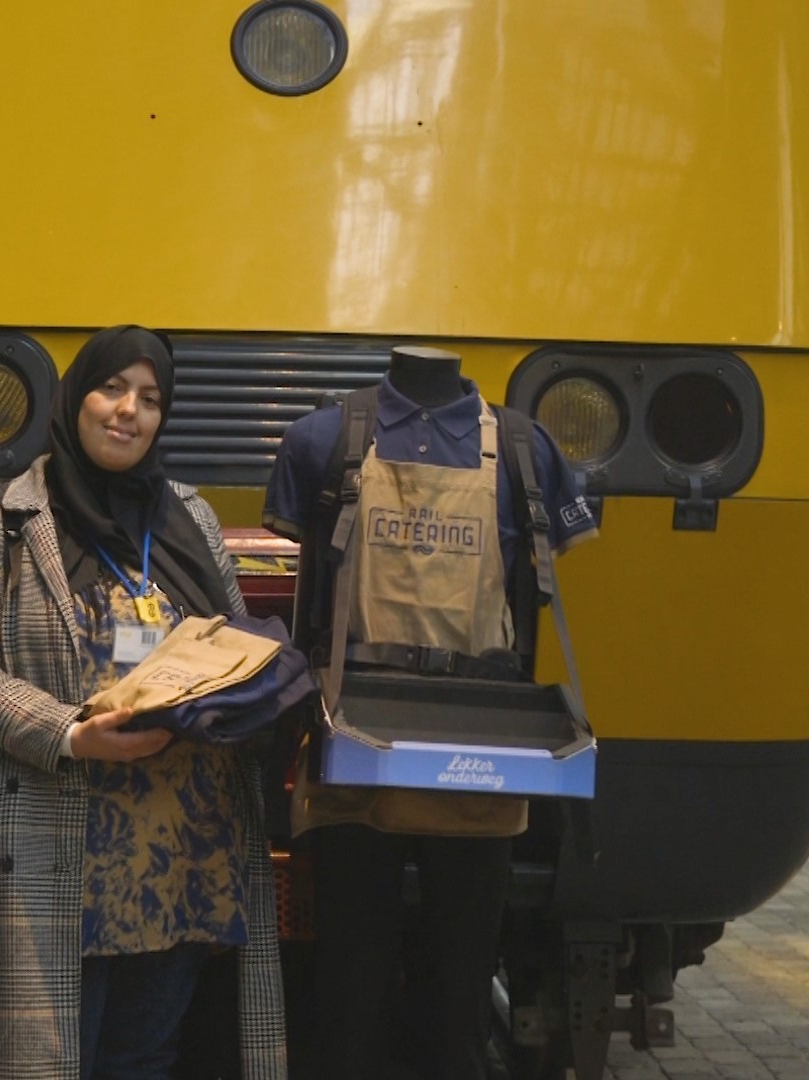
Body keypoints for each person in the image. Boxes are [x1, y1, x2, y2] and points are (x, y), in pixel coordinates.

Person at [0, 325, 287, 1080]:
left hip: (183, 855)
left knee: (145, 1058)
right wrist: (72, 733)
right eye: (112, 388)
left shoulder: (189, 518)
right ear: (74, 398)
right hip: (56, 846)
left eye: (150, 399)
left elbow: (231, 645)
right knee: (56, 1062)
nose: (129, 411)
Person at [263, 346, 598, 1080]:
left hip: (481, 750)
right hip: (355, 744)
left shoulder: (526, 450)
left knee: (461, 991)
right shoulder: (322, 440)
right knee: (347, 987)